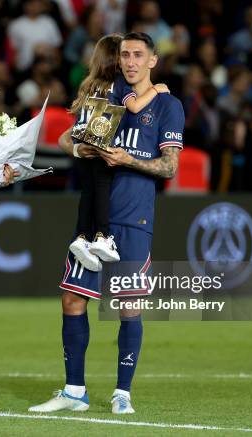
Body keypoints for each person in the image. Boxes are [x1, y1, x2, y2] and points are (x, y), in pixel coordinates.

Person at [29, 32, 184, 415]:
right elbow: (67, 137)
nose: (130, 61)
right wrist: (81, 147)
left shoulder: (167, 106)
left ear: (153, 60)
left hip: (134, 219)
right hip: (94, 220)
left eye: (137, 55)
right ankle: (74, 391)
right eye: (125, 55)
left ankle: (122, 393)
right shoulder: (110, 93)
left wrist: (126, 160)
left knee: (128, 306)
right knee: (72, 300)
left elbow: (169, 167)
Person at [67, 34, 169, 272]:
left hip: (83, 146)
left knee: (89, 194)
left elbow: (74, 123)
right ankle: (103, 237)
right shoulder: (118, 83)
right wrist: (156, 90)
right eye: (124, 55)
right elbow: (134, 106)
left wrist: (75, 148)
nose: (129, 62)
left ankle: (82, 239)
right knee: (102, 192)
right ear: (117, 59)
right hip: (101, 145)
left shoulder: (90, 83)